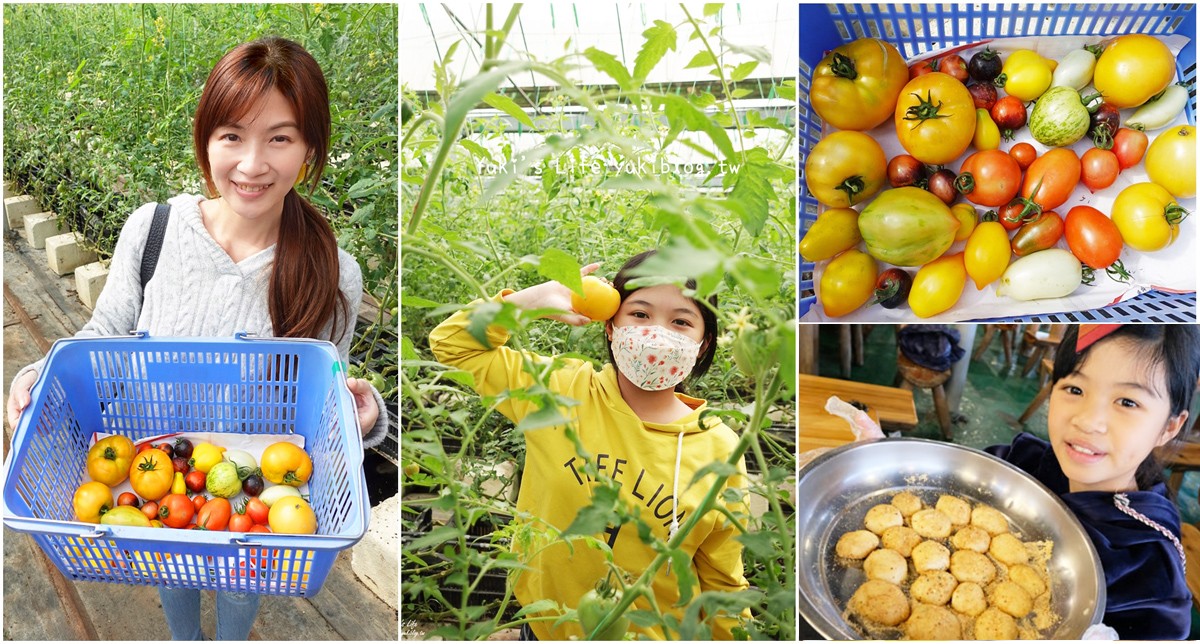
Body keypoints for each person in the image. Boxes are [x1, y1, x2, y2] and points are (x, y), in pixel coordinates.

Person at [6, 37, 390, 640]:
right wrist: (39, 372)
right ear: (206, 138)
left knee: (243, 588)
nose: (252, 163)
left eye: (280, 138)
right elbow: (105, 331)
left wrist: (360, 416)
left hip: (255, 486)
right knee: (171, 570)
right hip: (158, 465)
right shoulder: (155, 230)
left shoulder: (332, 271)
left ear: (310, 149)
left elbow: (326, 389)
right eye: (232, 135)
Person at [428, 250, 750, 640]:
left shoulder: (719, 448)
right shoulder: (558, 389)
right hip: (546, 627)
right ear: (611, 325)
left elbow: (722, 578)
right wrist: (529, 301)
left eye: (681, 321)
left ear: (702, 344)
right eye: (640, 314)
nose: (656, 335)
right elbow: (452, 343)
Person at [987, 324, 1197, 640]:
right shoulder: (1023, 463)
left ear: (1169, 427)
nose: (1087, 421)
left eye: (1127, 402)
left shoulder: (1150, 572)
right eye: (1075, 389)